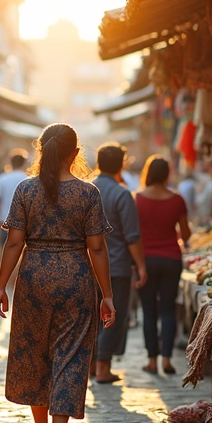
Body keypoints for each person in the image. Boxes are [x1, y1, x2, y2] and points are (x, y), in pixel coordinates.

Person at [0, 123, 115, 423]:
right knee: (71, 356)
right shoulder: (88, 194)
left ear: (42, 151)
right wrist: (107, 294)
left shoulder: (26, 190)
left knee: (35, 354)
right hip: (76, 278)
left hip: (33, 279)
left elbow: (14, 241)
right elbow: (98, 248)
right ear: (75, 154)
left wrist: (2, 285)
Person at [91, 143, 148, 384]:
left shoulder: (86, 189)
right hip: (116, 267)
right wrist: (141, 265)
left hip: (89, 266)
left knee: (92, 317)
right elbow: (132, 235)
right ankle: (103, 367)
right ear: (121, 164)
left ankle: (93, 366)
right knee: (113, 315)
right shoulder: (122, 194)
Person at [134, 155, 191, 375]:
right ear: (167, 174)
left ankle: (151, 361)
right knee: (168, 310)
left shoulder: (137, 199)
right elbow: (185, 234)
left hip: (145, 260)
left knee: (149, 311)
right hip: (171, 260)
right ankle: (167, 359)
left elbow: (134, 235)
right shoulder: (177, 200)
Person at [0, 149, 29, 245]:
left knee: (4, 252)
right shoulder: (28, 180)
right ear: (24, 163)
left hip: (4, 222)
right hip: (25, 224)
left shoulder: (2, 179)